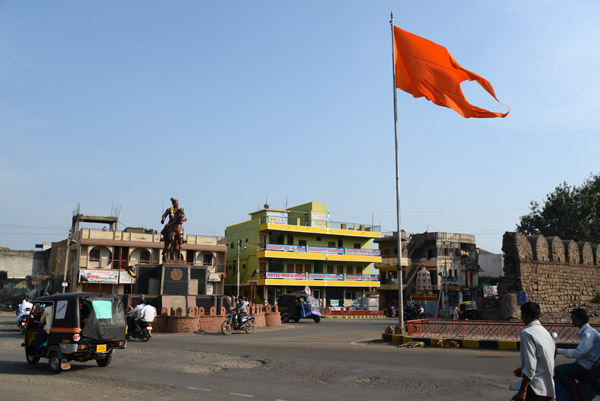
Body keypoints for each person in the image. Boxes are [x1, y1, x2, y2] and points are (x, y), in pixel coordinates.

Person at [512, 301, 555, 401]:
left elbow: (530, 366)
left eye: (522, 315)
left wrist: (523, 390)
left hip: (535, 388)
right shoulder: (545, 332)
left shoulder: (527, 333)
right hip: (548, 388)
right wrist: (524, 368)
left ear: (525, 315)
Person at [555, 308, 600, 401]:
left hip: (587, 365)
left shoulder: (588, 333)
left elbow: (579, 352)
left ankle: (572, 396)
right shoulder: (587, 331)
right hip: (586, 363)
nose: (572, 321)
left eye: (574, 319)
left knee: (559, 370)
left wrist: (558, 351)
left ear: (580, 320)